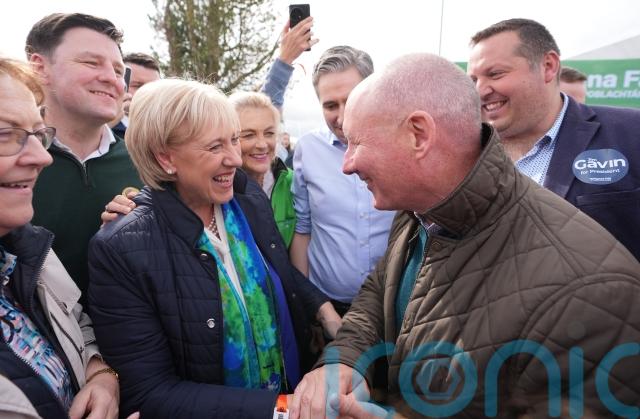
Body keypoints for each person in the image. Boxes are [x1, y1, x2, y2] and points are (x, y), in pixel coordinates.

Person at [289, 53, 640, 418]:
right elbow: (380, 292)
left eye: (358, 143)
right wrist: (345, 358)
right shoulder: (416, 207)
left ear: (418, 134)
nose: (347, 164)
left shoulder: (592, 292)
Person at [88, 78, 340, 418]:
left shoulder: (247, 199)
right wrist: (286, 410)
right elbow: (149, 392)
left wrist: (325, 312)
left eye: (234, 139)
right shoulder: (122, 247)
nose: (235, 158)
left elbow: (280, 272)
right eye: (214, 147)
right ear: (165, 158)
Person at [0, 58, 125, 419]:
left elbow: (75, 321)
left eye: (39, 134)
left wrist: (101, 375)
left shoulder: (26, 249)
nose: (43, 157)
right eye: (6, 135)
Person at [467, 18, 640, 261]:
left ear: (548, 66)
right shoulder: (465, 151)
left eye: (495, 74)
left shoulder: (630, 132)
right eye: (474, 80)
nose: (480, 90)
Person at [25, 13, 143, 303]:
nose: (111, 78)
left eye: (118, 70)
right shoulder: (12, 162)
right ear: (39, 68)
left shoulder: (145, 164)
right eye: (91, 63)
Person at [289, 46, 396, 315]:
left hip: (394, 307)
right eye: (330, 105)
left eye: (351, 100)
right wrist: (311, 306)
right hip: (330, 308)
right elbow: (303, 229)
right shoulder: (308, 150)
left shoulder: (401, 146)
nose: (342, 116)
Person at [229, 91, 297, 249]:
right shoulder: (218, 192)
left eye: (269, 133)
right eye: (248, 135)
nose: (262, 144)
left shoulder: (293, 183)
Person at [111, 52, 162, 138]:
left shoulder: (167, 132)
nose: (148, 92)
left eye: (154, 87)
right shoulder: (98, 129)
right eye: (138, 85)